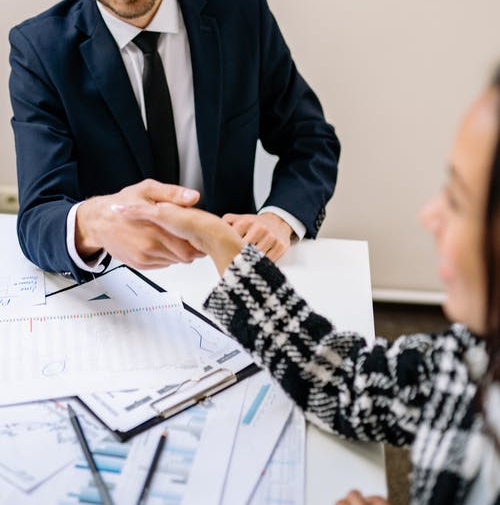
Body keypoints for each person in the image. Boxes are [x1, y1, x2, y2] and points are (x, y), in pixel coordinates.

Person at [115, 67, 500, 504]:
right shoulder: (471, 357)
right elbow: (344, 382)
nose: (429, 216)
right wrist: (223, 246)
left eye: (460, 201)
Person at [8, 0, 340, 282]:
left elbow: (310, 140)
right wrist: (96, 221)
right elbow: (38, 218)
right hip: (112, 286)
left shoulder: (244, 13)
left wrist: (280, 217)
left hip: (228, 269)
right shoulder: (39, 50)